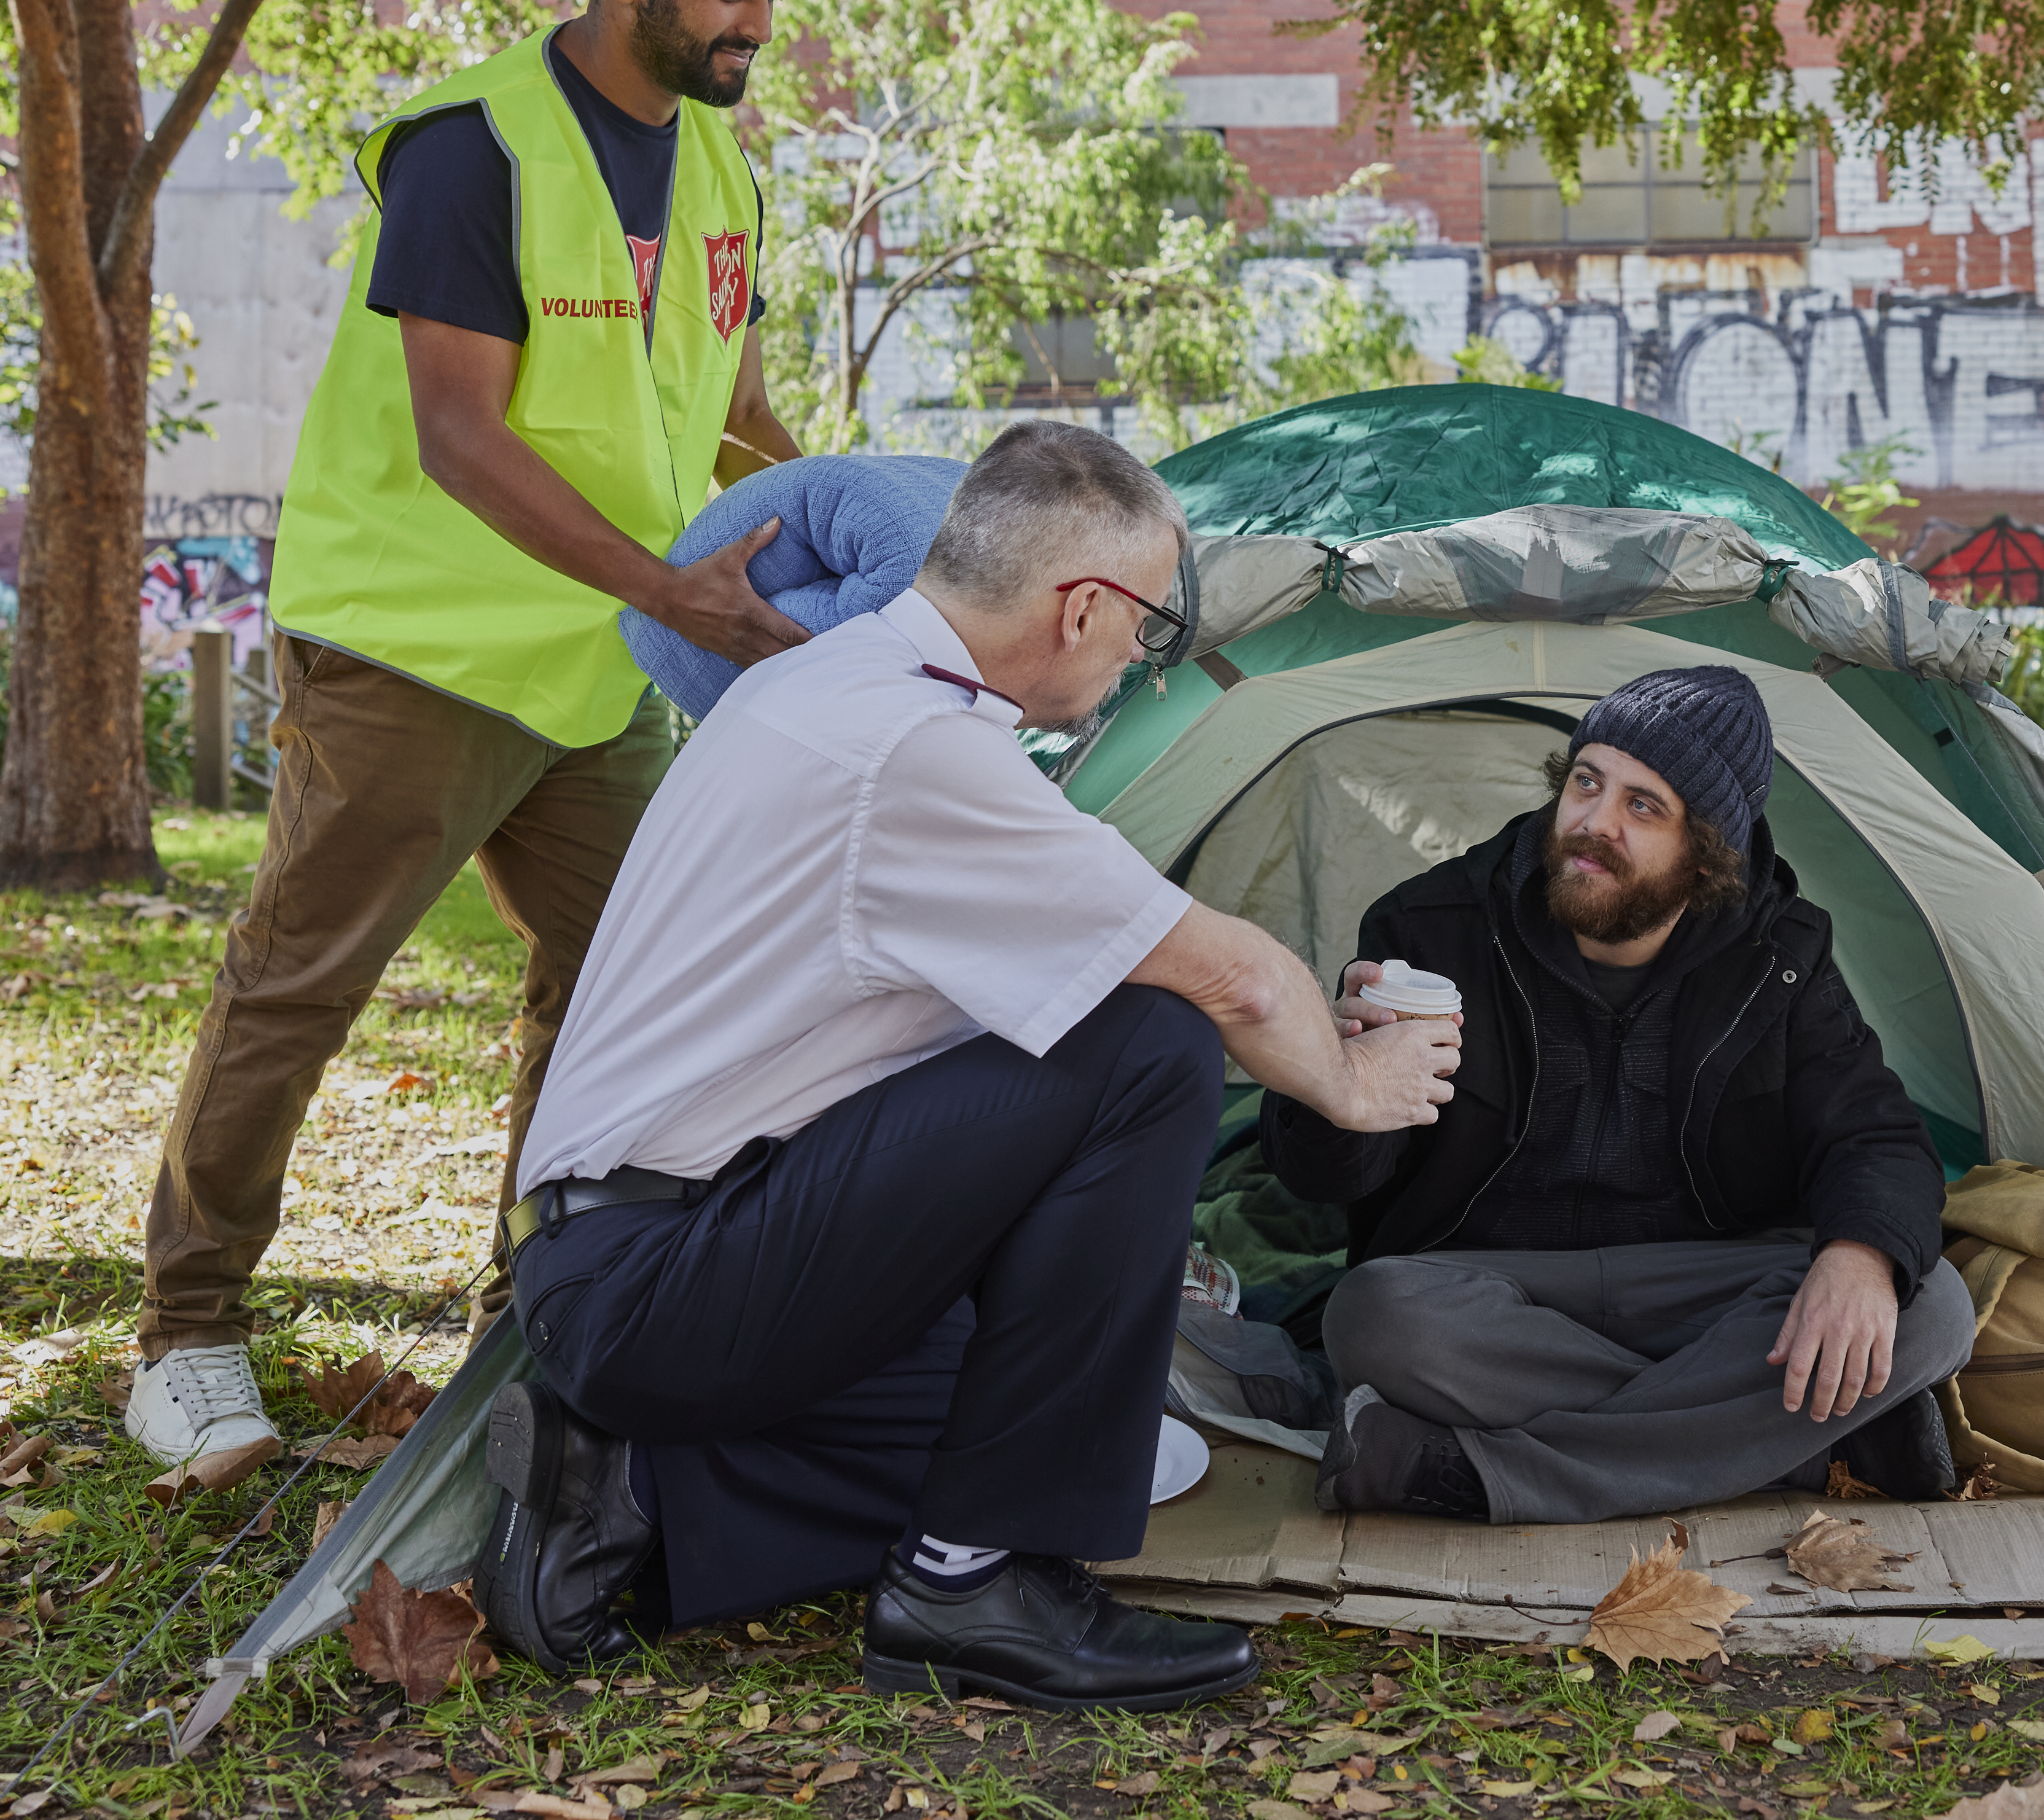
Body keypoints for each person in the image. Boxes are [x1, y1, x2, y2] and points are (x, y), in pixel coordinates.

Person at [475, 421, 1464, 1711]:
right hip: (660, 1275)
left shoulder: (831, 684)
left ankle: (631, 1489)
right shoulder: (917, 751)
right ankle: (973, 1584)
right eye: (1149, 632)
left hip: (641, 1258)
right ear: (1080, 609)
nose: (1141, 667)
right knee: (1151, 1037)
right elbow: (1230, 975)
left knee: (1099, 1436)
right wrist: (1353, 1085)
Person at [128, 0, 849, 1470]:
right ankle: (187, 1336)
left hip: (602, 665)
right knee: (300, 986)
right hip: (419, 646)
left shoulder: (727, 167)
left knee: (621, 999)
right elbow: (461, 436)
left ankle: (533, 1317)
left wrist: (862, 537)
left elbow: (729, 416)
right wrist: (678, 598)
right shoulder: (473, 147)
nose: (755, 22)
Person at [1271, 665, 1976, 1525]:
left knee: (1929, 1303)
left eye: (1643, 807)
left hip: (1697, 1287)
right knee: (1374, 1317)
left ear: (1707, 853)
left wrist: (1860, 1258)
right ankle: (1803, 1448)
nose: (1592, 824)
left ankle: (1474, 1473)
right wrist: (1332, 1080)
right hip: (1495, 1293)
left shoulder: (1779, 956)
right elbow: (1328, 1181)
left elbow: (1875, 1134)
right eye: (1585, 782)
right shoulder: (1430, 929)